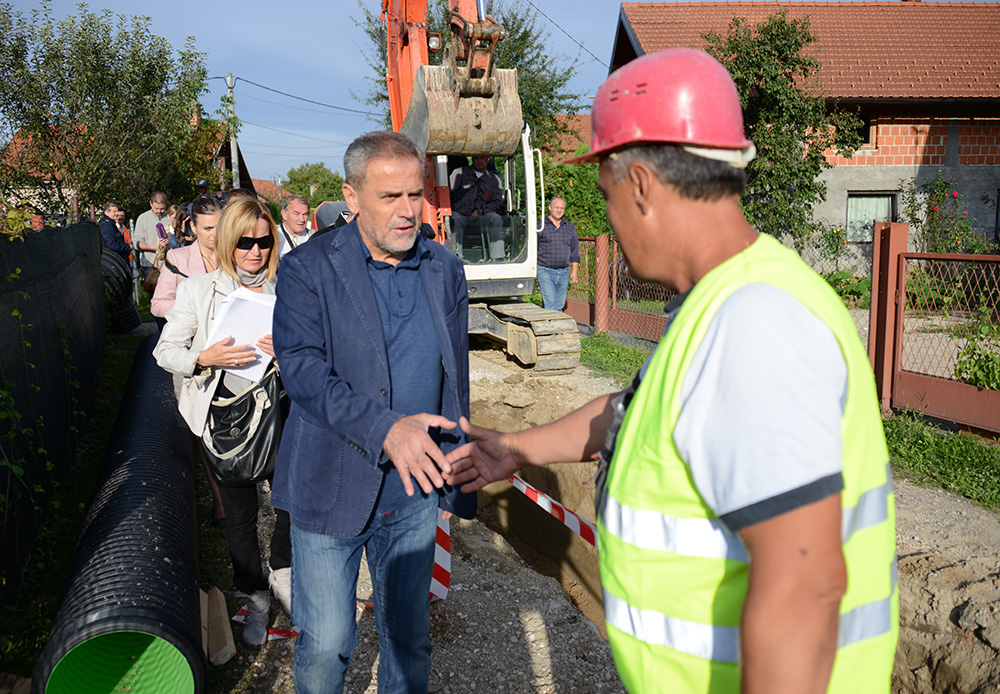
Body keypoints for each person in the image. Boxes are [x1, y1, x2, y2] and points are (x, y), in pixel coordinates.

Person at [444, 48, 898, 693]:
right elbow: (633, 413)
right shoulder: (720, 304)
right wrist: (516, 449)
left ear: (641, 185)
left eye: (607, 196)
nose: (609, 217)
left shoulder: (753, 323)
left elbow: (803, 590)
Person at [271, 130, 476, 693]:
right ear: (352, 196)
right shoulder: (308, 268)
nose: (408, 211)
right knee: (326, 644)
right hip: (329, 487)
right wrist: (385, 429)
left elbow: (455, 377)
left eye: (415, 195)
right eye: (390, 197)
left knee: (409, 641)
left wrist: (457, 471)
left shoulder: (444, 269)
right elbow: (302, 371)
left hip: (414, 494)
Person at [153, 197, 292, 647]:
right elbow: (164, 350)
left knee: (291, 506)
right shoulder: (199, 290)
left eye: (264, 242)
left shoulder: (290, 288)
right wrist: (203, 357)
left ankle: (285, 577)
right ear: (229, 240)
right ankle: (255, 596)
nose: (255, 251)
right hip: (226, 422)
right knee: (239, 516)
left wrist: (288, 353)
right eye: (245, 242)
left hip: (283, 415)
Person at [449, 155, 505, 260]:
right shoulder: (459, 173)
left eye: (482, 158)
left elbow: (498, 202)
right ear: (472, 159)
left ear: (488, 159)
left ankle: (497, 257)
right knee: (454, 219)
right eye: (476, 158)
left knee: (496, 218)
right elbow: (447, 194)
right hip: (461, 215)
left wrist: (481, 211)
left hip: (482, 217)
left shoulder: (494, 179)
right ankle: (457, 257)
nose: (479, 161)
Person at [536, 196, 580, 310]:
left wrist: (575, 272)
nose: (559, 210)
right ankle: (554, 321)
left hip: (564, 272)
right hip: (545, 270)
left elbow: (574, 250)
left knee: (560, 304)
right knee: (551, 303)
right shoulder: (540, 226)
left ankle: (551, 320)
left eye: (562, 208)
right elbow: (534, 248)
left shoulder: (569, 227)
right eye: (556, 207)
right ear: (550, 208)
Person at [134, 191, 171, 280]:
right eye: (156, 208)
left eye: (162, 209)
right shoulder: (143, 218)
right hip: (150, 263)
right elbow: (137, 242)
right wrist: (152, 247)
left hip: (169, 262)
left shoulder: (170, 217)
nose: (159, 211)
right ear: (151, 204)